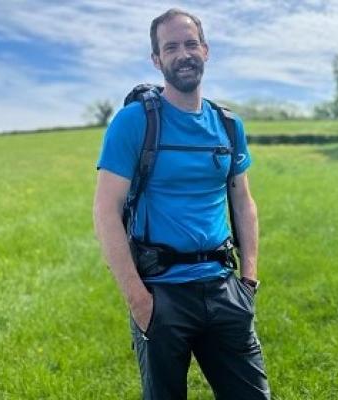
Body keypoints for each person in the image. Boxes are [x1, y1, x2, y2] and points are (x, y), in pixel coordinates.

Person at [93, 8, 270, 400]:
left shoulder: (228, 125)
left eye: (191, 44)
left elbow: (243, 201)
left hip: (224, 286)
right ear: (157, 60)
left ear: (205, 51)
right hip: (160, 294)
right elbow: (106, 211)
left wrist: (250, 279)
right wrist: (138, 301)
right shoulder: (133, 122)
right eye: (170, 47)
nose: (183, 54)